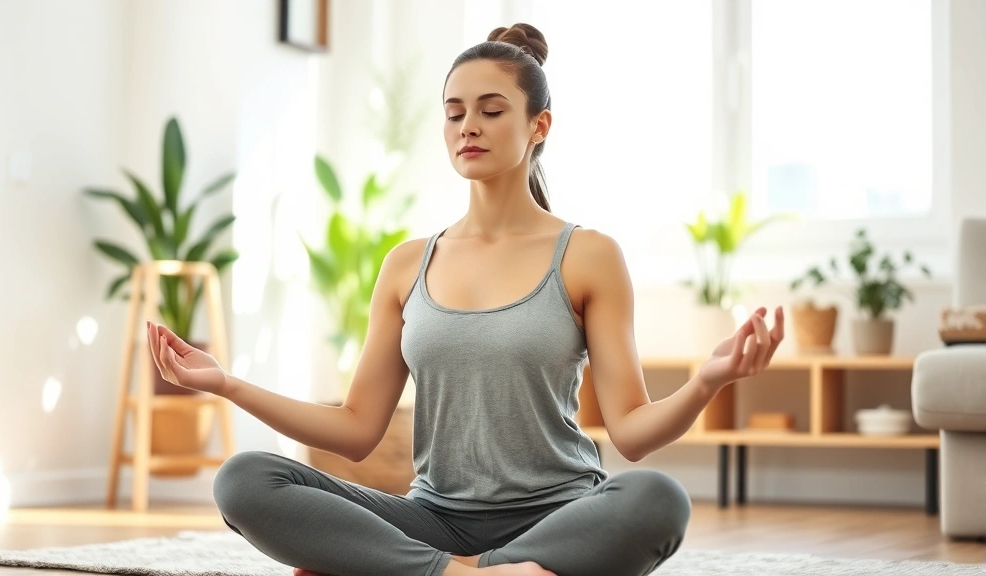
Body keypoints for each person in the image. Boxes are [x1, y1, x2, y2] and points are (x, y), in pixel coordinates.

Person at [146, 23, 784, 576]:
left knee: (657, 500)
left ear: (539, 125)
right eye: (454, 113)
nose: (467, 127)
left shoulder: (588, 255)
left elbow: (632, 434)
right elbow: (357, 429)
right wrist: (227, 384)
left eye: (490, 109)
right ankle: (472, 574)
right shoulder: (407, 264)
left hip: (561, 514)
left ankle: (421, 575)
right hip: (435, 518)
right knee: (245, 480)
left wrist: (708, 379)